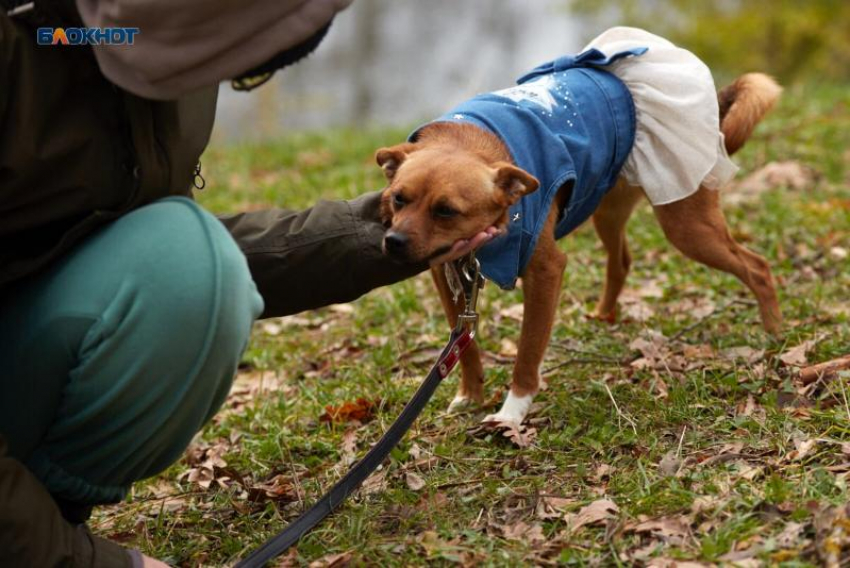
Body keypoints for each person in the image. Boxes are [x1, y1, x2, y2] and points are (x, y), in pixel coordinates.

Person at [0, 1, 496, 566]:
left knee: (186, 264)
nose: (237, 68)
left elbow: (148, 248)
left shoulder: (136, 38)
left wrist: (383, 231)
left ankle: (47, 507)